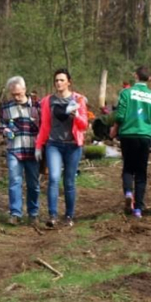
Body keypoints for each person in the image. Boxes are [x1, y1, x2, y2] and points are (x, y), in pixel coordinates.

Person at [34, 68, 89, 228]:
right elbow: (44, 125)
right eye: (56, 80)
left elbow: (84, 125)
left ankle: (69, 215)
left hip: (73, 145)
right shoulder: (48, 101)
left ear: (68, 82)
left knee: (69, 182)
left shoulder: (78, 100)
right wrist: (39, 146)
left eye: (61, 80)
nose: (58, 83)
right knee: (53, 178)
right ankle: (52, 215)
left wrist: (77, 116)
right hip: (54, 144)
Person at [114, 66, 151, 218]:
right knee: (141, 172)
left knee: (128, 167)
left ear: (135, 76)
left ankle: (128, 192)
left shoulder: (126, 93)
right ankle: (138, 209)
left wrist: (115, 127)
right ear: (149, 79)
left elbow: (120, 115)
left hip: (127, 135)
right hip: (144, 136)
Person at [0, 76, 40, 225]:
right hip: (14, 149)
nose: (16, 97)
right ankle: (15, 213)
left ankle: (33, 213)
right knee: (14, 181)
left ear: (24, 89)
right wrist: (5, 131)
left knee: (33, 183)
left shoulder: (37, 106)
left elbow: (44, 127)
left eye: (18, 94)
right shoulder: (6, 107)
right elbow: (1, 125)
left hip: (33, 150)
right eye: (13, 94)